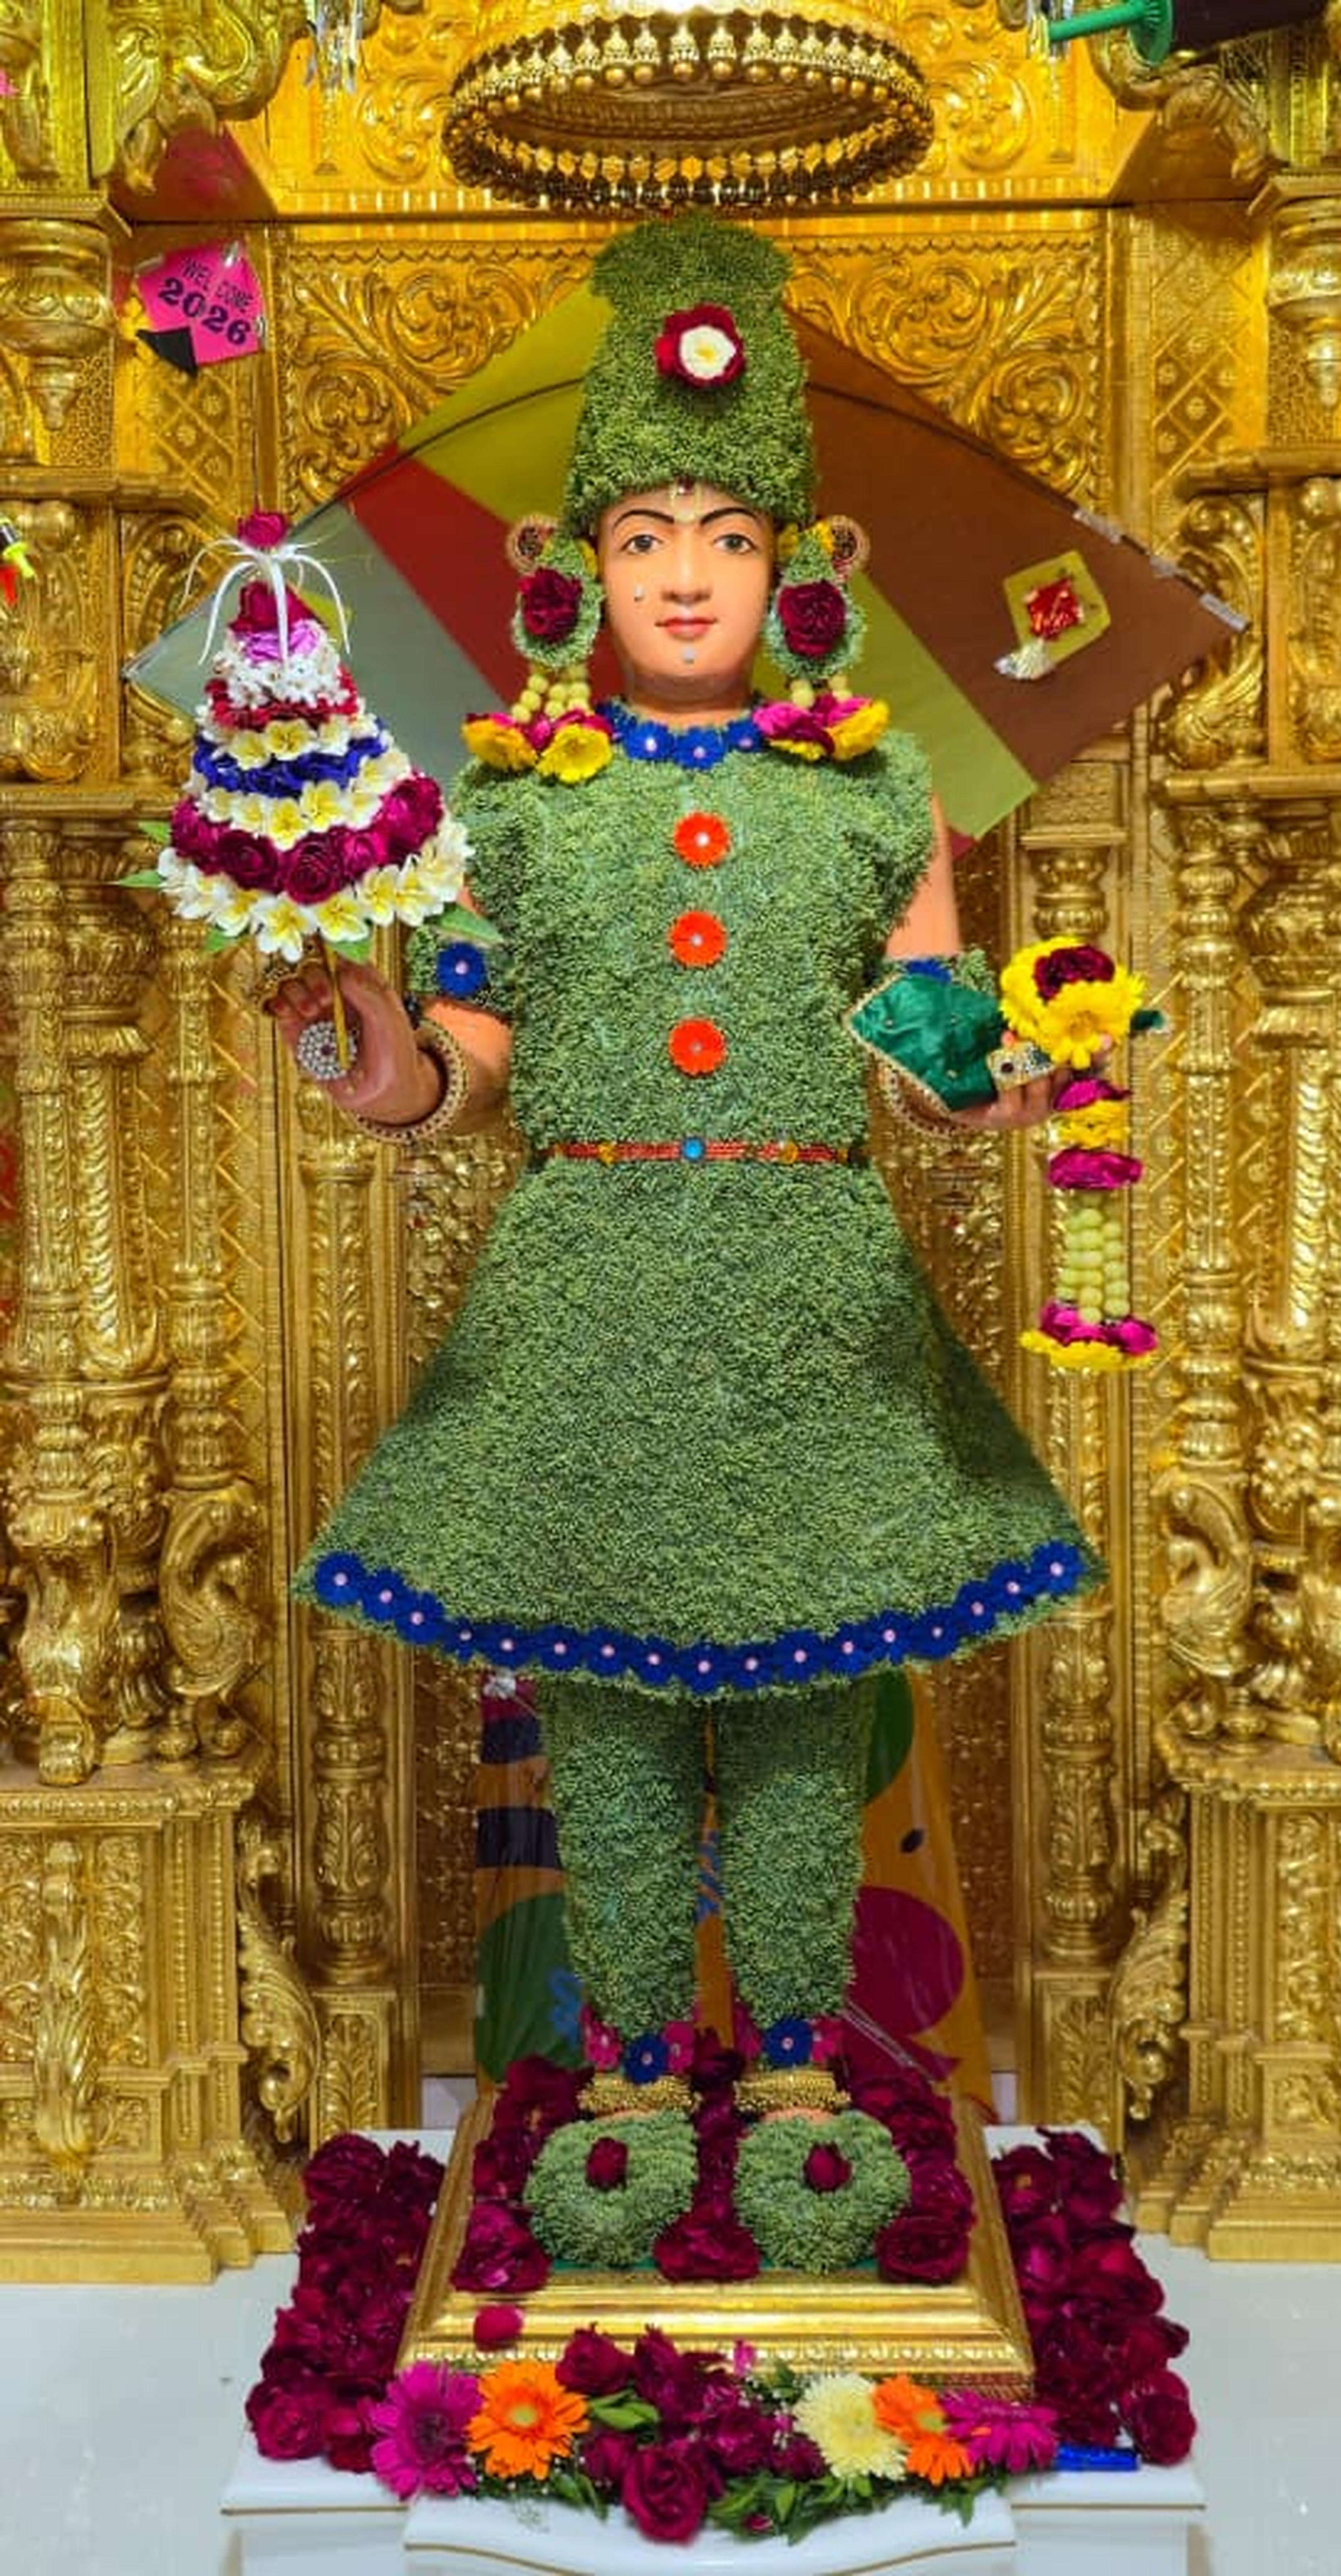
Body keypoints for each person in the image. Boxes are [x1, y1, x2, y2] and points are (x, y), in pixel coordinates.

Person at [271, 219, 1099, 2174]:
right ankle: (636, 2078)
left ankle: (797, 2078)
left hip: (815, 1302)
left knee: (810, 1713)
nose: (687, 573)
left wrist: (1000, 1078)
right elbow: (461, 1064)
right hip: (591, 1299)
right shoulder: (510, 805)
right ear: (578, 566)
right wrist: (366, 1054)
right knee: (611, 1718)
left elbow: (924, 1035)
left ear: (802, 567)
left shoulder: (881, 795)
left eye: (728, 535)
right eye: (646, 534)